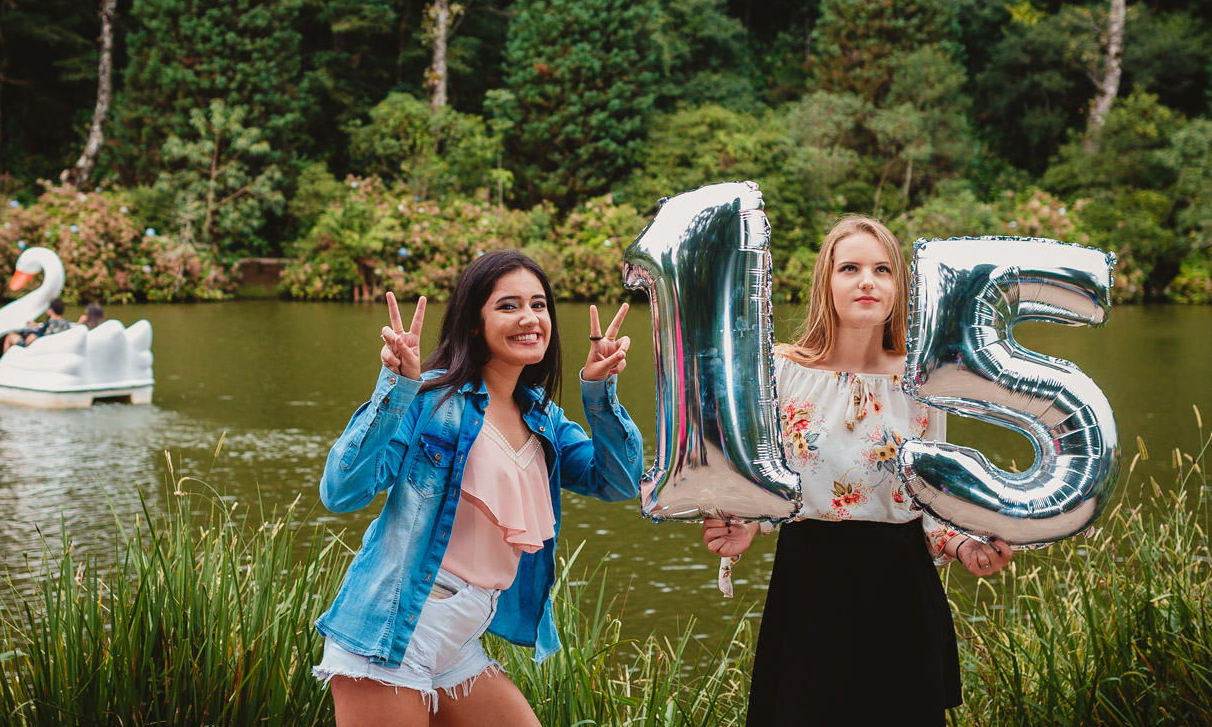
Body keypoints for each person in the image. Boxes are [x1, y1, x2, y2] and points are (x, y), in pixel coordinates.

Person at [702, 215, 1015, 726]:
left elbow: (931, 494)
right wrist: (746, 525)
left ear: (898, 287)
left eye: (882, 270)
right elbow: (761, 481)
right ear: (826, 282)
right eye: (850, 268)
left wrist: (963, 545)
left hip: (902, 588)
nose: (867, 281)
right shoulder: (779, 371)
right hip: (809, 583)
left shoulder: (922, 380)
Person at [313, 249, 643, 726]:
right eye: (508, 306)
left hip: (460, 643)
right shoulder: (430, 400)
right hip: (391, 634)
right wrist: (395, 389)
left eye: (539, 305)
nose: (529, 318)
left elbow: (618, 481)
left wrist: (599, 391)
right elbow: (342, 491)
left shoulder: (543, 419)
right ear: (473, 323)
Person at [4, 298, 71, 348]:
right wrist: (37, 326)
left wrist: (29, 339)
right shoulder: (66, 323)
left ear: (51, 310)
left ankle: (5, 361)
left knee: (9, 336)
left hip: (37, 347)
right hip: (54, 346)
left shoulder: (50, 323)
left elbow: (32, 338)